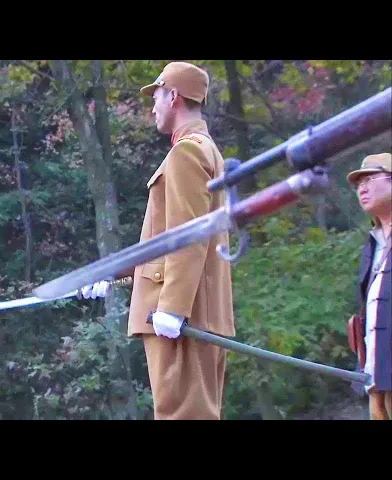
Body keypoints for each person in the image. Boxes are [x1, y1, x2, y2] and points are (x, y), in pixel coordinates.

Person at [126, 62, 235, 420]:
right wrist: (113, 275)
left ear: (173, 96)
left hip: (184, 317)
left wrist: (173, 307)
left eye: (156, 97)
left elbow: (189, 235)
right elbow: (162, 241)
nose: (152, 107)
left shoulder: (187, 152)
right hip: (193, 313)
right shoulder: (203, 149)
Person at [346, 152, 391, 420]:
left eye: (370, 179)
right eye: (358, 184)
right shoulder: (372, 243)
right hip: (376, 376)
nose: (362, 188)